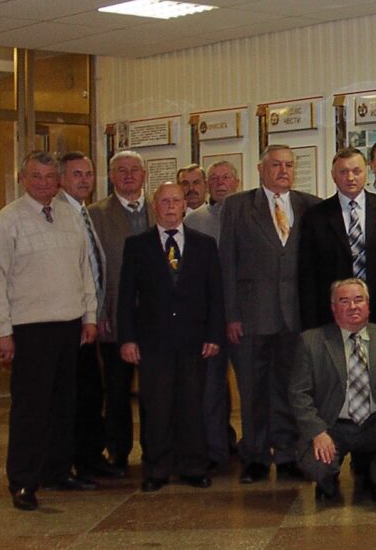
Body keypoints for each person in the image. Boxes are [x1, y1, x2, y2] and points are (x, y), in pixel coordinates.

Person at [0, 151, 98, 510]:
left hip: (70, 325)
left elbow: (84, 269)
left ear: (58, 180)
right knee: (31, 409)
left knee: (65, 404)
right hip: (29, 328)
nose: (44, 183)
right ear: (22, 178)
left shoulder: (69, 214)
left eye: (50, 177)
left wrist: (90, 315)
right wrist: (3, 330)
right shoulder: (8, 220)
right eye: (37, 176)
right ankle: (23, 481)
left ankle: (57, 471)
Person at [220, 144, 321, 484]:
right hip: (251, 316)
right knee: (253, 391)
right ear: (261, 169)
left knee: (290, 389)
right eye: (276, 165)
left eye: (289, 165)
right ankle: (256, 457)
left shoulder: (310, 206)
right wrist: (231, 315)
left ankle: (289, 454)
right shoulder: (237, 206)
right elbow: (227, 262)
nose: (283, 171)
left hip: (294, 318)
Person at [117, 183, 224, 492]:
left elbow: (215, 294)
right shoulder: (137, 246)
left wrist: (214, 335)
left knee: (192, 407)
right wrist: (127, 339)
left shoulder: (204, 244)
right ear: (155, 206)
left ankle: (193, 467)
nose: (170, 207)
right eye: (164, 201)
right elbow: (126, 297)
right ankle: (156, 469)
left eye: (176, 201)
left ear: (184, 206)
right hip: (153, 343)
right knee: (157, 408)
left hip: (194, 341)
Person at [290, 279, 376, 504]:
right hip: (331, 424)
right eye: (344, 301)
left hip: (375, 421)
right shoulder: (311, 341)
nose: (353, 306)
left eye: (359, 300)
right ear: (333, 308)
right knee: (316, 461)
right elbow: (298, 394)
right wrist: (317, 432)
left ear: (368, 305)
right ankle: (327, 480)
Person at [89, 149, 154, 475]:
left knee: (155, 390)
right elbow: (92, 269)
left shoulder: (162, 207)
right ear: (112, 176)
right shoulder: (96, 214)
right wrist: (98, 311)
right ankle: (118, 451)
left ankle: (155, 450)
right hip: (115, 316)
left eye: (134, 170)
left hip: (156, 318)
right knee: (117, 390)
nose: (129, 175)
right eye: (121, 170)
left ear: (144, 175)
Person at [298, 148, 376, 330]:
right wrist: (310, 323)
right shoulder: (315, 216)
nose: (350, 178)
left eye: (356, 171)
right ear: (333, 175)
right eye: (343, 172)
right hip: (331, 313)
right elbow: (308, 274)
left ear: (366, 172)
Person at [57, 152, 112, 481]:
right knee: (74, 395)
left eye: (88, 174)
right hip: (69, 320)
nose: (84, 180)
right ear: (61, 178)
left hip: (87, 318)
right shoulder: (59, 214)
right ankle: (71, 461)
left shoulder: (83, 212)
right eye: (76, 174)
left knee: (91, 392)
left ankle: (91, 456)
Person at [184, 159, 240, 471]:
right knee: (211, 388)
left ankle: (256, 447)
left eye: (226, 177)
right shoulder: (193, 221)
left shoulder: (250, 214)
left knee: (252, 387)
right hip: (208, 320)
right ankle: (217, 450)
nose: (220, 183)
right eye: (214, 178)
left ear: (237, 181)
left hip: (245, 317)